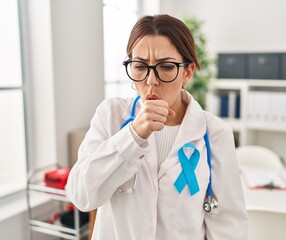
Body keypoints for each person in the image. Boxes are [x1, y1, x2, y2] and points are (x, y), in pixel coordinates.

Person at [66, 14, 247, 240]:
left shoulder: (215, 133)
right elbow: (81, 196)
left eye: (166, 67)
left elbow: (228, 226)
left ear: (187, 72)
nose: (151, 80)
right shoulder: (110, 116)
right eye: (140, 66)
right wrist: (133, 136)